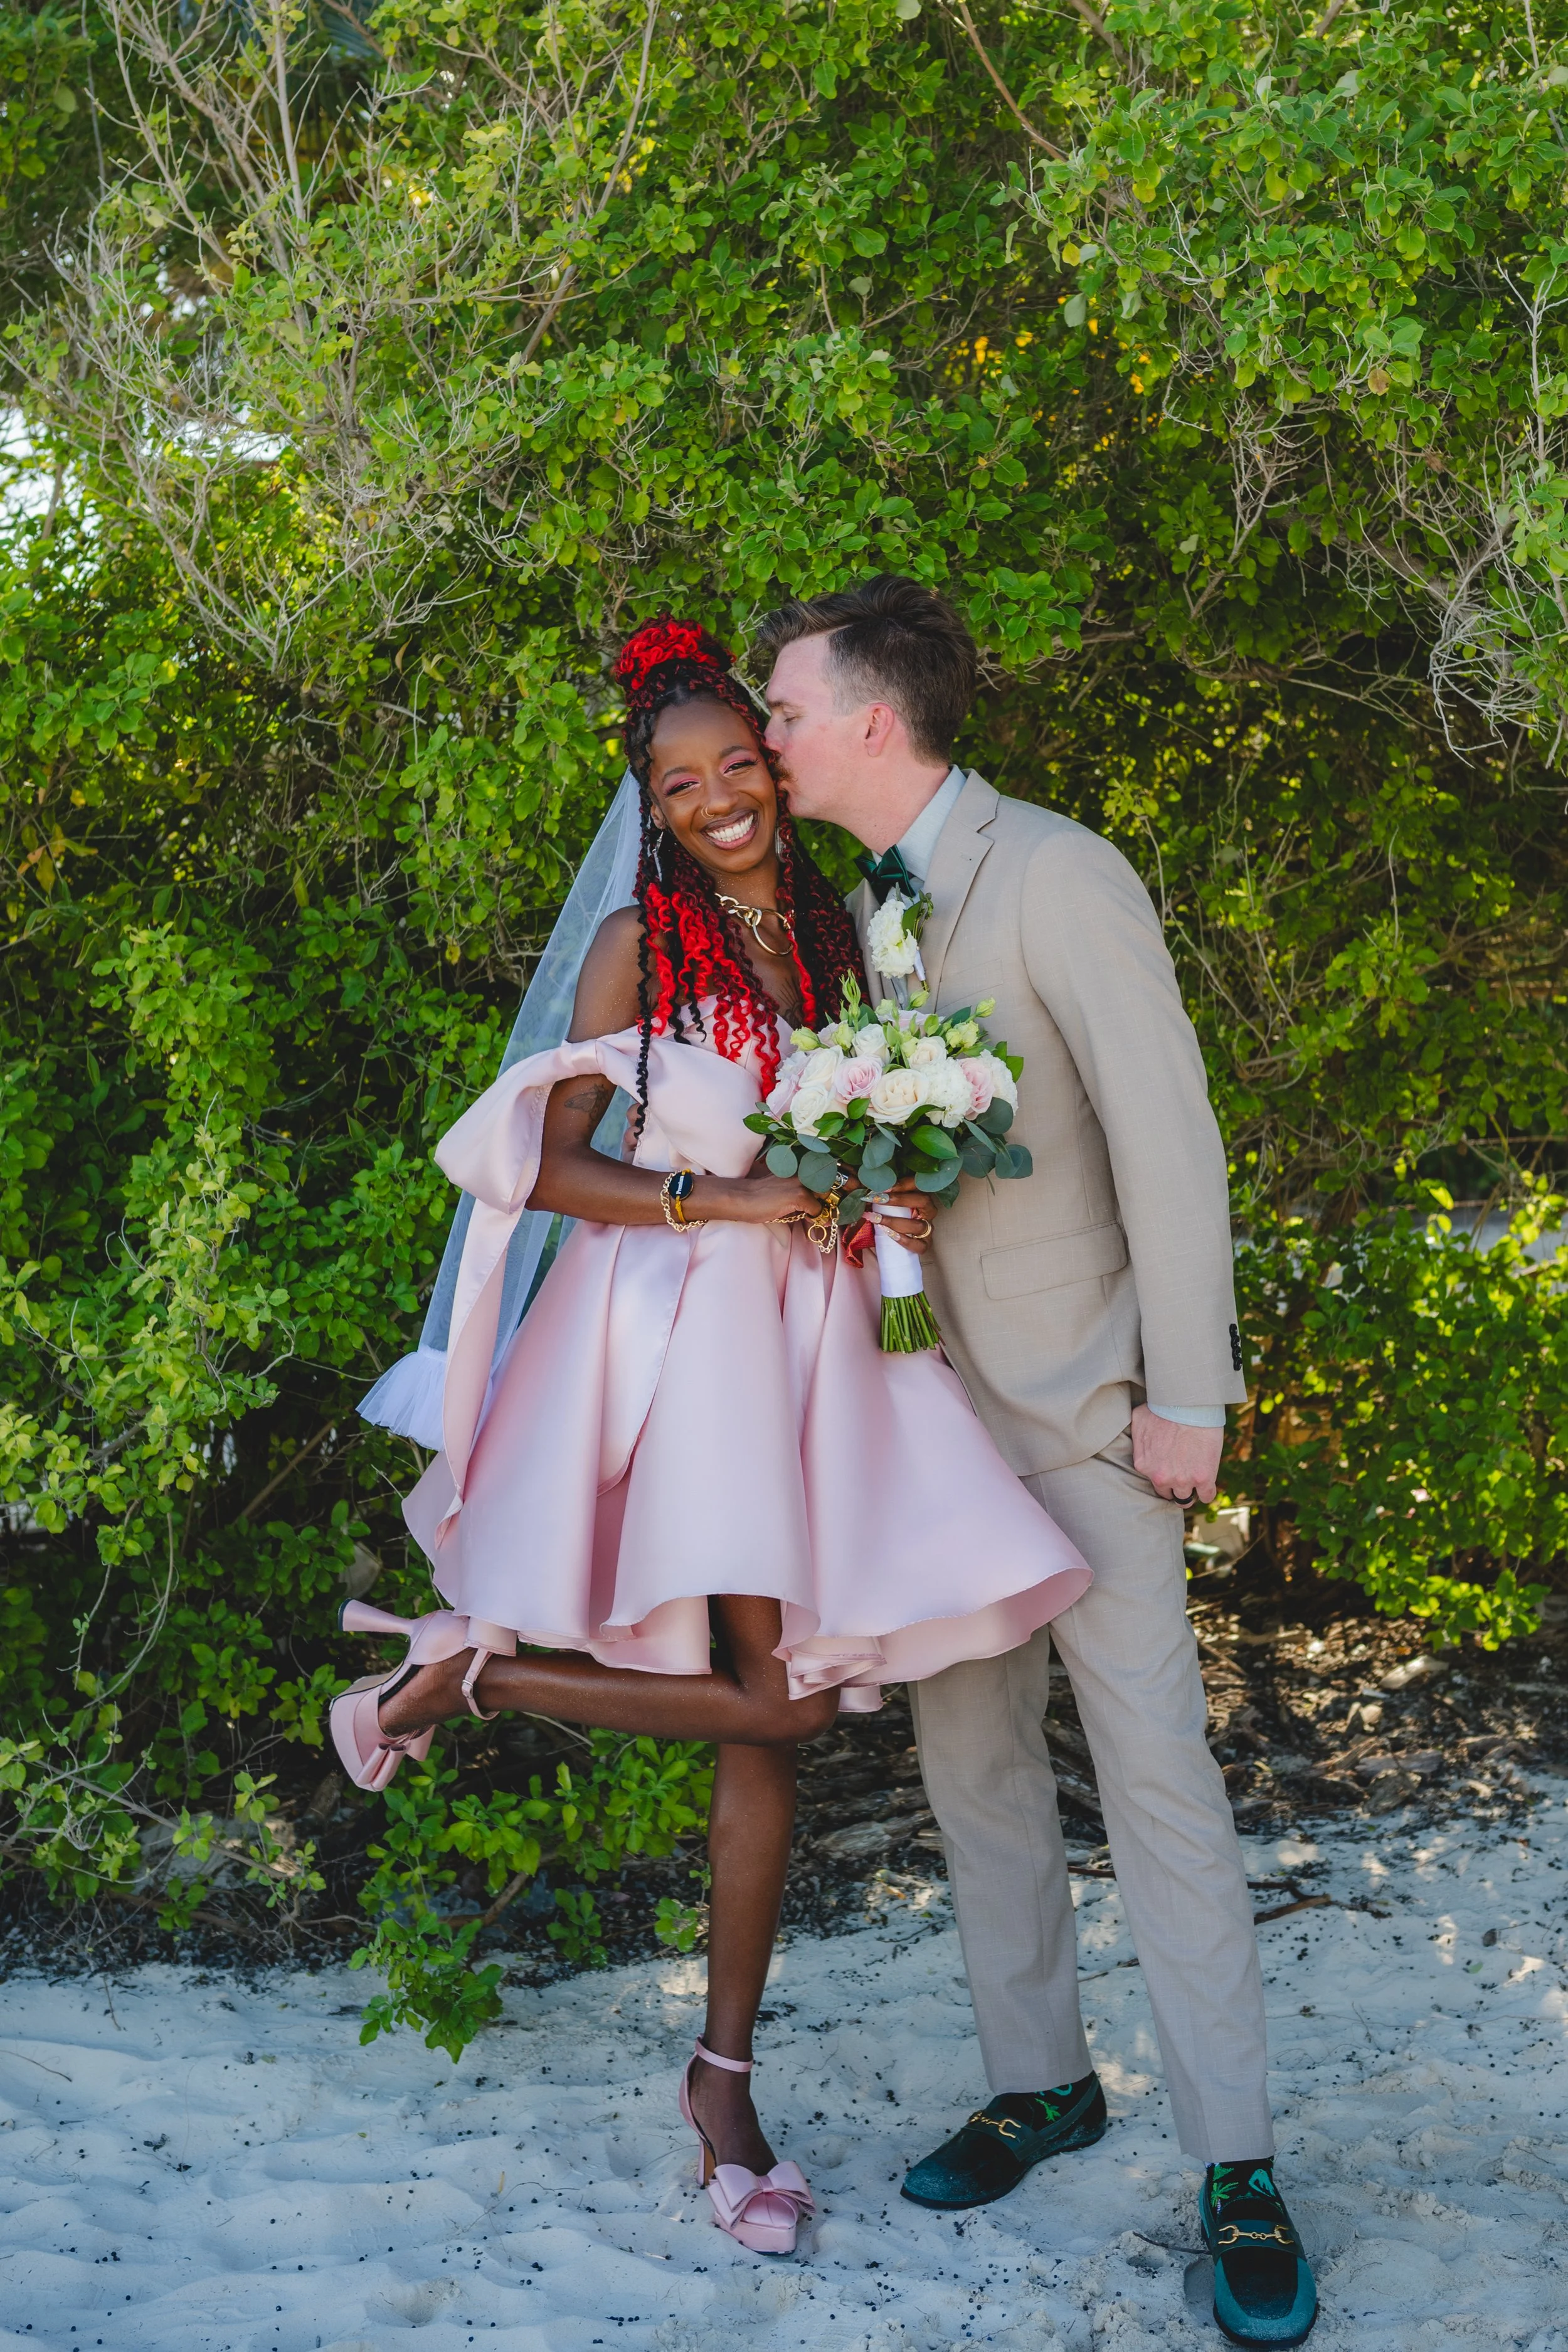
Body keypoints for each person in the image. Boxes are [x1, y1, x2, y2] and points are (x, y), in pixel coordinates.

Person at [339, 618, 1093, 2259]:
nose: (720, 798)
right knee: (775, 1703)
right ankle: (474, 1676)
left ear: (774, 760)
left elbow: (874, 1111)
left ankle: (721, 2075)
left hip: (819, 1346)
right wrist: (723, 1193)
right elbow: (534, 1168)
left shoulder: (838, 928)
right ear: (655, 808)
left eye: (739, 764)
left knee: (772, 1726)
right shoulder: (633, 946)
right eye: (681, 784)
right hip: (677, 1346)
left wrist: (882, 1173)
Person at [756, 576, 1317, 2349]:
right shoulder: (863, 904)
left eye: (781, 709)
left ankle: (1234, 2160)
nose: (764, 739)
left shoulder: (1060, 872)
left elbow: (1170, 1137)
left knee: (1155, 1777)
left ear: (868, 717)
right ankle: (1037, 2083)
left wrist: (1188, 1393)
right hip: (930, 1423)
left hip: (1085, 1409)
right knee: (971, 1763)